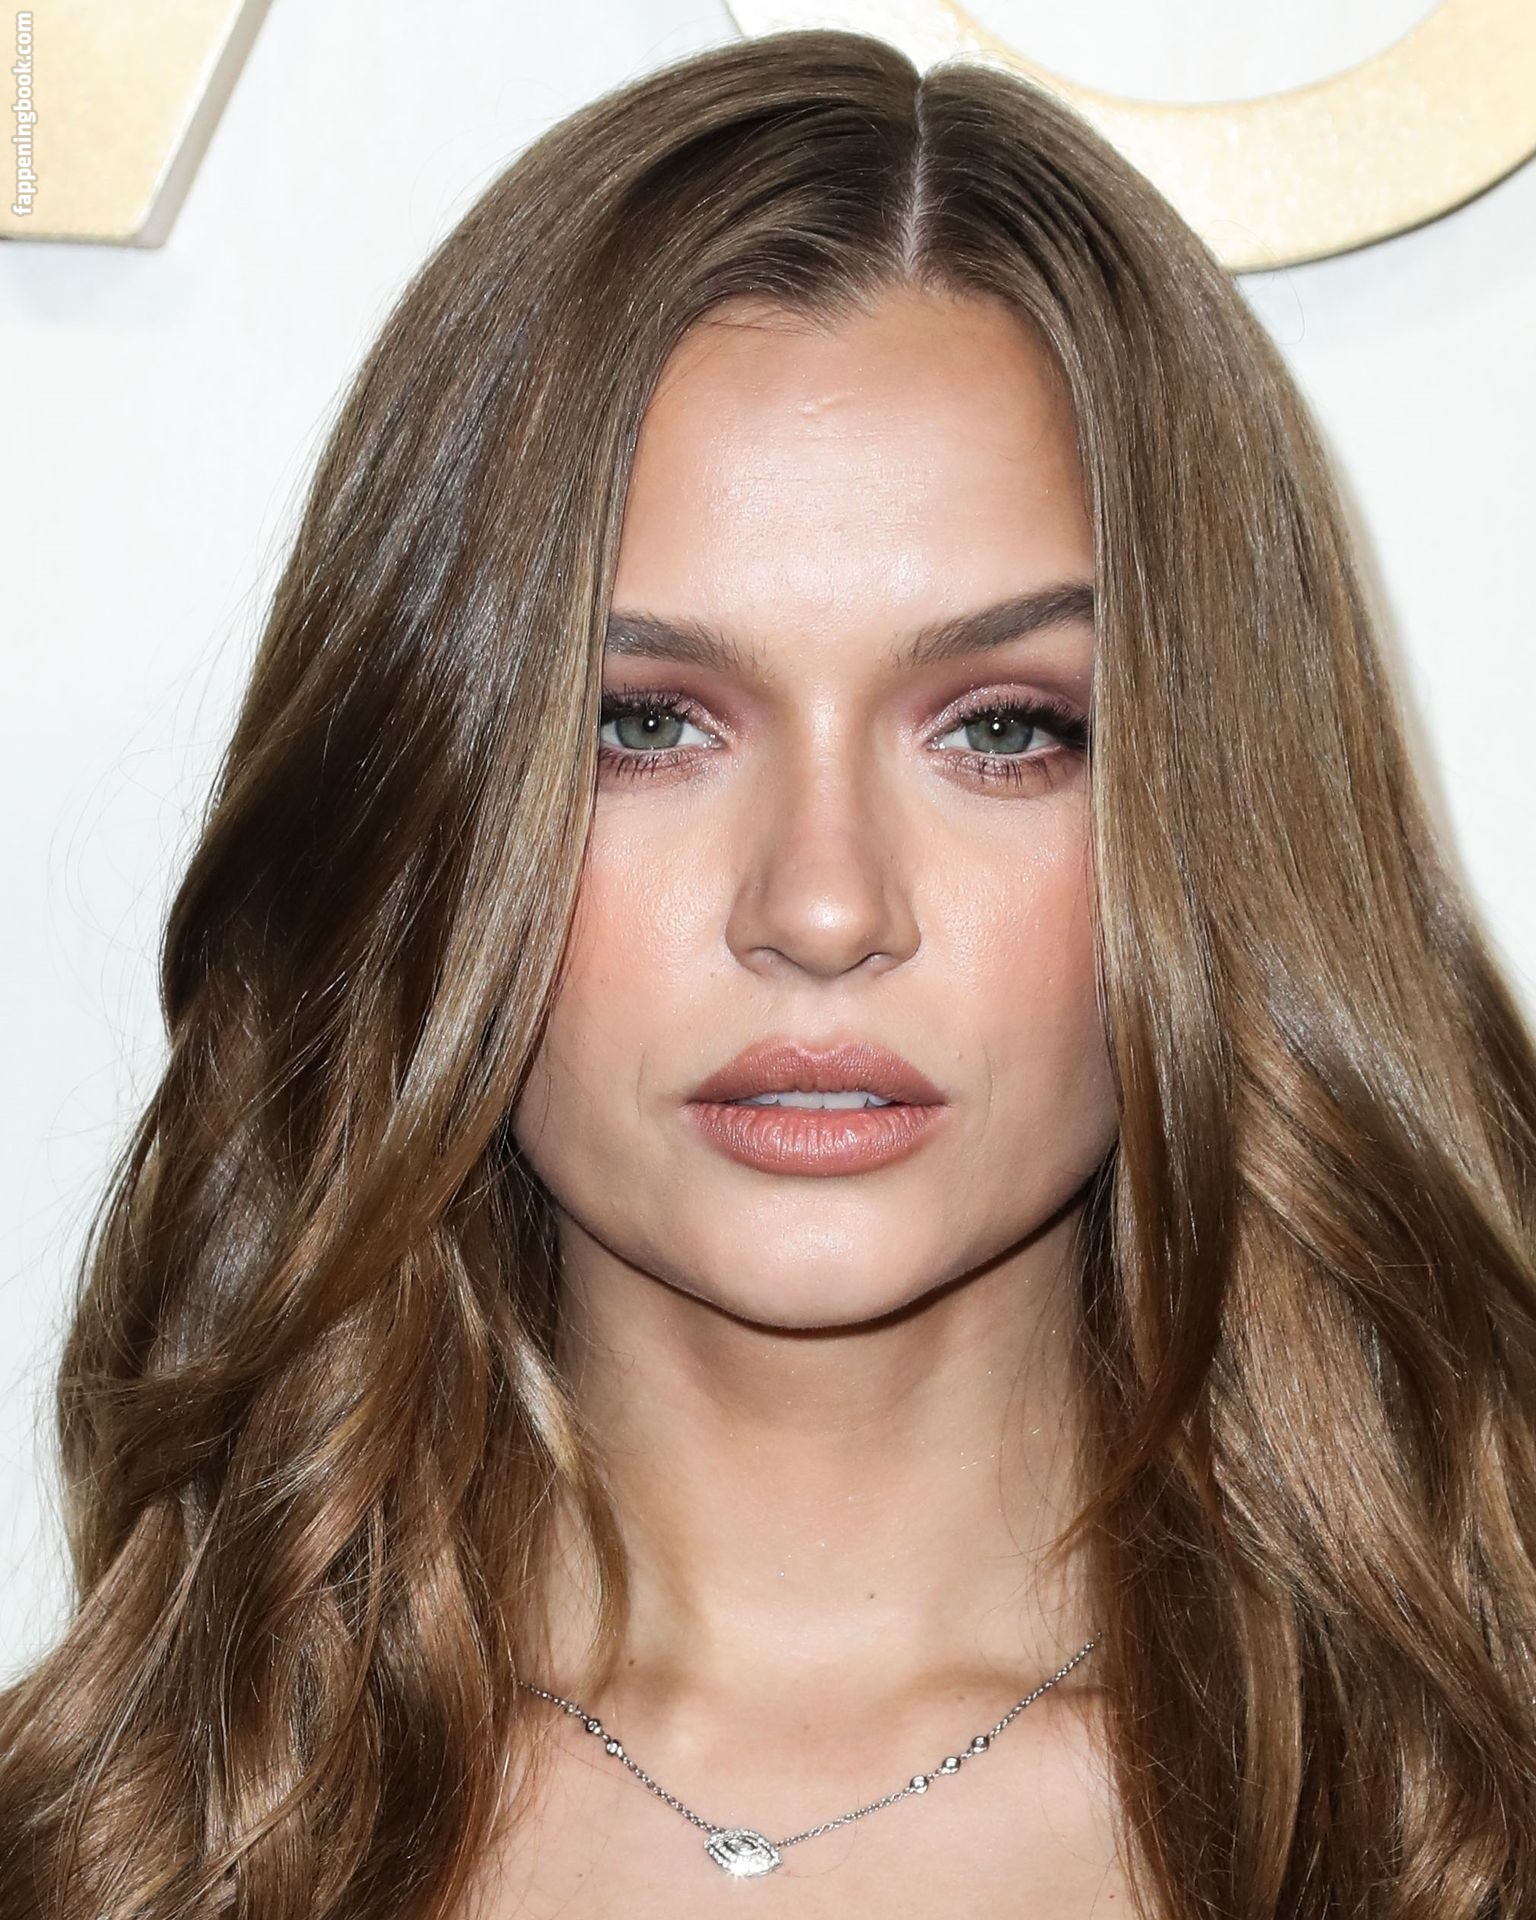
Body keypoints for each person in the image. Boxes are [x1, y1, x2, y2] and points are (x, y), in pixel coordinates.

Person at [3, 26, 1534, 1920]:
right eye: (644, 724)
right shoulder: (120, 1844)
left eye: (1003, 729)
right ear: (424, 811)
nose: (821, 908)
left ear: (1225, 817)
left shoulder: (1458, 1822)